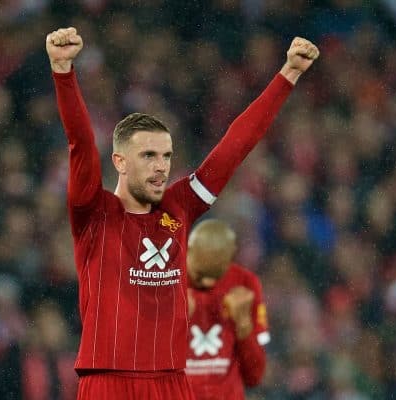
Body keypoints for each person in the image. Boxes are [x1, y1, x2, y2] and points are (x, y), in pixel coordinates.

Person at [45, 26, 318, 399]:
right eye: (148, 156)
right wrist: (63, 73)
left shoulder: (179, 206)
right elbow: (80, 143)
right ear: (120, 161)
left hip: (172, 382)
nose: (161, 166)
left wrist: (287, 75)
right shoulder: (95, 213)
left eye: (166, 156)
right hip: (107, 380)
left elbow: (234, 148)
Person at [186, 219, 269, 400]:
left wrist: (244, 326)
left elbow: (255, 376)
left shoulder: (246, 283)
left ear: (231, 256)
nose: (208, 282)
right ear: (188, 251)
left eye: (216, 275)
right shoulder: (164, 280)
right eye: (200, 274)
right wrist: (171, 322)